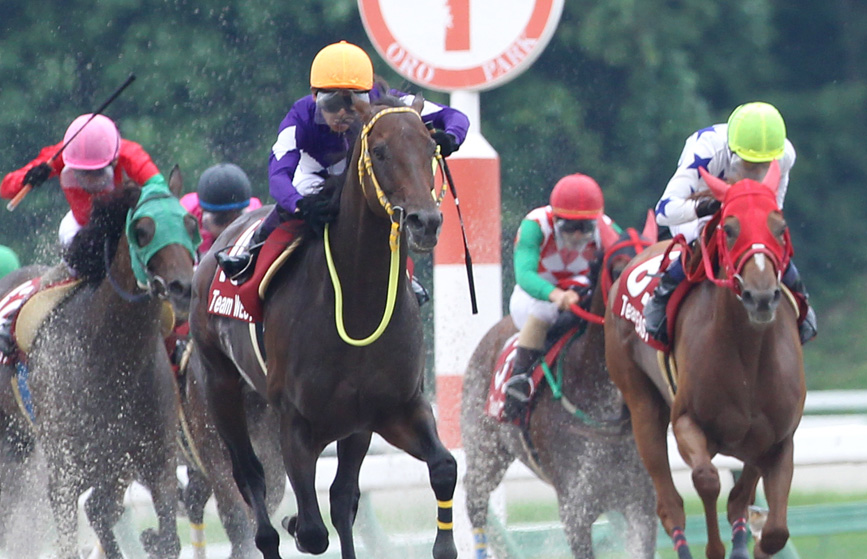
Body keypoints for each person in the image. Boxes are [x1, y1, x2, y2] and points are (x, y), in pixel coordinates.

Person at [216, 40, 470, 283]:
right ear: (314, 96)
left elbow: (455, 117)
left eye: (352, 104)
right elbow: (278, 176)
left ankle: (405, 277)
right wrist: (299, 205)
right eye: (331, 103)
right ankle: (251, 253)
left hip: (358, 177)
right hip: (314, 176)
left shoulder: (384, 102)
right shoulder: (298, 118)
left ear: (367, 96)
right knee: (291, 204)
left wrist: (451, 138)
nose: (341, 114)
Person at [643, 101, 818, 345]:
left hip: (745, 210)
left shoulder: (784, 155)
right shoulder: (705, 151)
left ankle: (801, 298)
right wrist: (705, 208)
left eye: (764, 165)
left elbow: (773, 208)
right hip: (697, 209)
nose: (756, 172)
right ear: (733, 152)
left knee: (769, 239)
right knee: (703, 239)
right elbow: (664, 212)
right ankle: (662, 296)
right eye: (749, 164)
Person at [503, 173, 622, 414]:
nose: (578, 235)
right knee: (545, 310)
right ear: (555, 218)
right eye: (570, 227)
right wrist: (556, 295)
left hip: (580, 292)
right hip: (534, 295)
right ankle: (519, 381)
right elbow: (524, 275)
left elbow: (623, 264)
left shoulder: (606, 229)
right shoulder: (535, 225)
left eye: (585, 228)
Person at [1, 113, 160, 249]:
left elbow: (160, 189)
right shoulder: (62, 154)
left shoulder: (131, 156)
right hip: (81, 227)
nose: (90, 181)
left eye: (98, 172)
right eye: (82, 172)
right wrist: (26, 179)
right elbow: (5, 189)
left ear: (114, 161)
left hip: (126, 223)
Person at [180, 163, 262, 258]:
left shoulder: (256, 218)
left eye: (237, 219)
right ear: (202, 212)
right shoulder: (185, 216)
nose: (230, 228)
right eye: (222, 220)